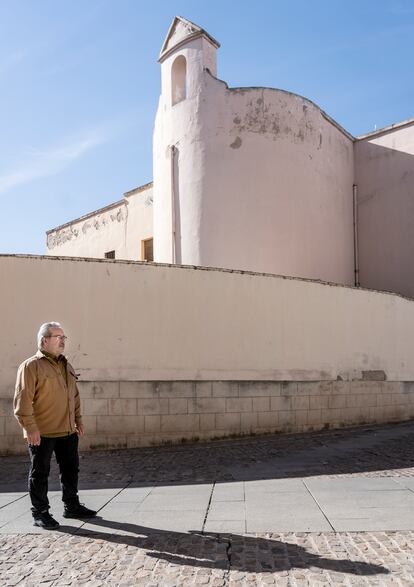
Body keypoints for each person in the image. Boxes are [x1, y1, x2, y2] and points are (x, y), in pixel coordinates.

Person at [13, 322, 96, 529]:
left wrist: (78, 420)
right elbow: (22, 401)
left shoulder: (66, 365)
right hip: (42, 432)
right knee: (39, 473)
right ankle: (40, 513)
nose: (63, 341)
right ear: (44, 340)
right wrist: (30, 428)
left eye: (64, 337)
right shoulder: (31, 366)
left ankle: (71, 505)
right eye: (58, 337)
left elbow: (74, 396)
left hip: (67, 430)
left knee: (71, 469)